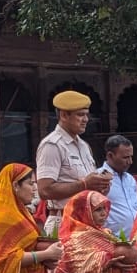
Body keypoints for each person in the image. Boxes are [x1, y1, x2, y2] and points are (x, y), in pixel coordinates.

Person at [35, 91, 110, 219]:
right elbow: (44, 190)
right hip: (63, 219)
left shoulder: (84, 146)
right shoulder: (52, 145)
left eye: (86, 115)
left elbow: (88, 186)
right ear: (64, 115)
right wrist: (84, 184)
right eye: (80, 115)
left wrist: (100, 185)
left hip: (87, 220)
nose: (86, 120)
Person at [95, 135, 137, 237]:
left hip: (135, 239)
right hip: (111, 241)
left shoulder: (130, 179)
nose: (130, 162)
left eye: (131, 157)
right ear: (110, 156)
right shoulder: (98, 178)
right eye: (125, 157)